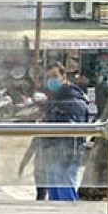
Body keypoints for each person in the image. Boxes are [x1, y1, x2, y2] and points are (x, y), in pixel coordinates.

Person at [39, 63, 89, 201]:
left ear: (64, 76)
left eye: (55, 76)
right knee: (54, 196)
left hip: (67, 156)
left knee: (65, 193)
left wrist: (68, 156)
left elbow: (74, 129)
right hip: (53, 154)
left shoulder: (72, 98)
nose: (51, 80)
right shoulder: (54, 98)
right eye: (48, 77)